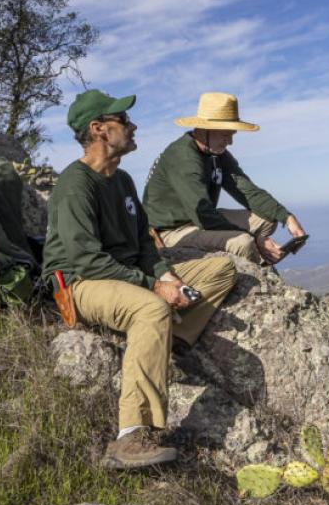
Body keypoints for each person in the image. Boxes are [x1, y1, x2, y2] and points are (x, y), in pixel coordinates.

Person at [43, 89, 237, 469]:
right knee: (151, 310)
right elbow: (85, 259)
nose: (133, 126)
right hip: (82, 284)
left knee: (222, 269)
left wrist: (165, 273)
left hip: (124, 272)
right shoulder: (74, 185)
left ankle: (169, 341)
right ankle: (131, 435)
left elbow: (145, 244)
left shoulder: (124, 180)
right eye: (124, 121)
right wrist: (154, 286)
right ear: (99, 129)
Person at [143, 92, 305, 264]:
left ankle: (258, 260)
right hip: (172, 231)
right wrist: (254, 238)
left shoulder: (217, 154)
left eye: (232, 135)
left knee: (267, 219)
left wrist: (286, 217)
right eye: (225, 135)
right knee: (243, 242)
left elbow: (247, 191)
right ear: (205, 129)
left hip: (199, 221)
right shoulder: (183, 157)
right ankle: (257, 277)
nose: (230, 142)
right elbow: (203, 214)